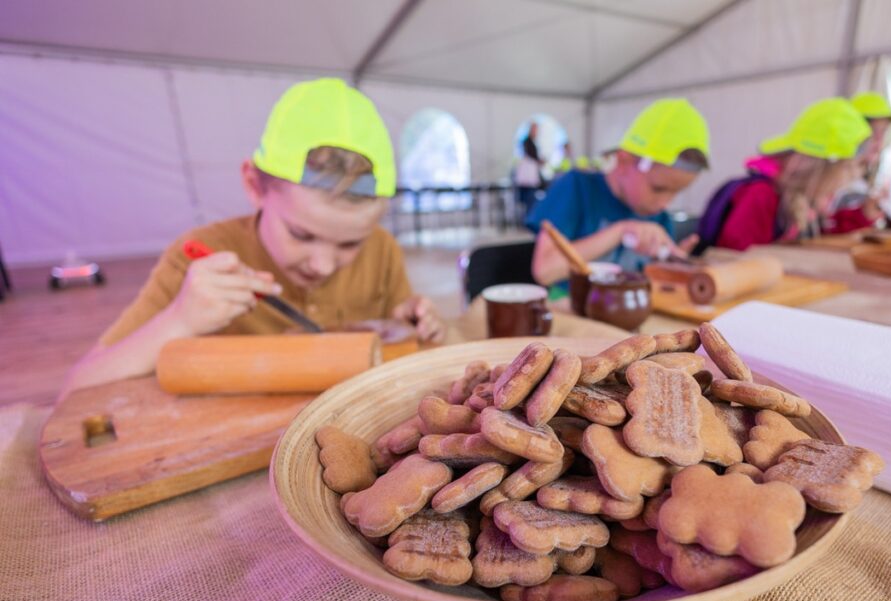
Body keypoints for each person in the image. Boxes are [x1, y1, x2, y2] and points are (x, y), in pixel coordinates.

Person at [62, 78, 444, 396]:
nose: (323, 266)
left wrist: (407, 324)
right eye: (300, 233)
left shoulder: (383, 251)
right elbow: (77, 388)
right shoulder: (198, 258)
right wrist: (179, 320)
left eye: (350, 244)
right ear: (253, 184)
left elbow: (405, 359)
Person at [527, 99, 710, 286]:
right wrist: (620, 231)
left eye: (676, 192)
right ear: (624, 161)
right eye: (658, 188)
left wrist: (673, 264)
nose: (665, 203)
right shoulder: (577, 188)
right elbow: (544, 270)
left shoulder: (658, 218)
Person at [694, 98, 871, 253]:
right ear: (820, 169)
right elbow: (734, 257)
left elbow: (824, 231)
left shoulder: (801, 199)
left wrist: (863, 214)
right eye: (849, 168)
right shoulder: (761, 196)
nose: (852, 177)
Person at [825, 91, 891, 234]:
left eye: (884, 132)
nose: (879, 141)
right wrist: (862, 215)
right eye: (873, 132)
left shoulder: (865, 173)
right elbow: (824, 228)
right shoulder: (832, 175)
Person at [514, 121, 545, 220]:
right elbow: (532, 156)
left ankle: (529, 219)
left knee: (531, 200)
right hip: (527, 178)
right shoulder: (526, 142)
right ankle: (527, 220)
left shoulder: (531, 142)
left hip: (531, 177)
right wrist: (539, 160)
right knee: (529, 200)